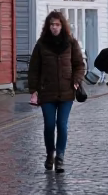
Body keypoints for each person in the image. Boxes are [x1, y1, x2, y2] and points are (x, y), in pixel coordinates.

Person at [27, 10, 85, 172]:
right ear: (48, 26)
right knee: (49, 125)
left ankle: (60, 156)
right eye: (52, 24)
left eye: (57, 24)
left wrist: (76, 80)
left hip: (67, 91)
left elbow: (79, 65)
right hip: (47, 91)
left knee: (62, 124)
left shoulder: (71, 43)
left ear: (62, 25)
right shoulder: (41, 44)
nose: (54, 27)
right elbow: (34, 69)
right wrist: (34, 90)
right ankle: (49, 153)